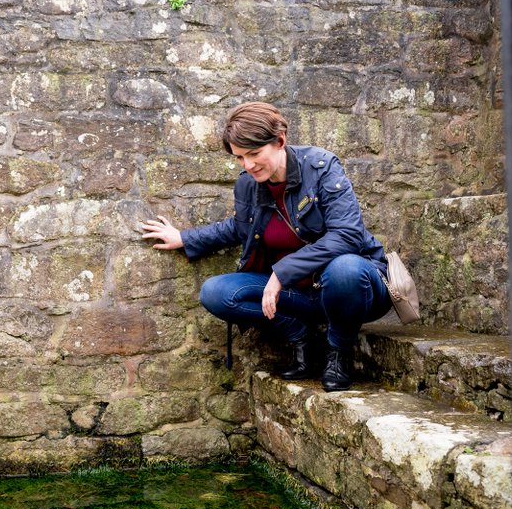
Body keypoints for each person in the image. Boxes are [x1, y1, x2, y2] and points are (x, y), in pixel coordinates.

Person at [140, 101, 392, 391]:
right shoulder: (248, 184)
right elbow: (239, 227)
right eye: (239, 157)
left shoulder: (322, 167)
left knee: (344, 269)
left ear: (280, 141)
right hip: (299, 295)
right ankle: (301, 337)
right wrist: (185, 238)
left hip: (353, 290)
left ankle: (338, 351)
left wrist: (281, 272)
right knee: (216, 292)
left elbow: (347, 234)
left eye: (254, 154)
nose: (248, 165)